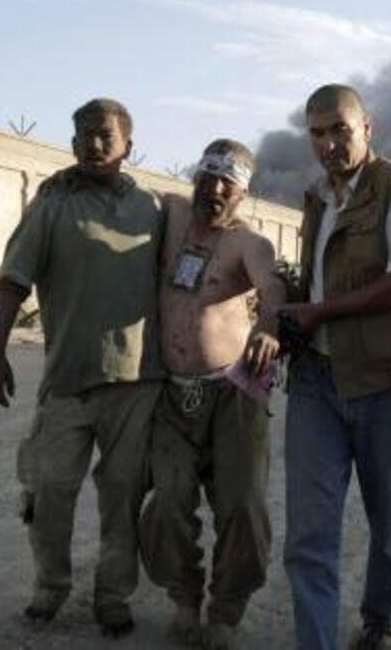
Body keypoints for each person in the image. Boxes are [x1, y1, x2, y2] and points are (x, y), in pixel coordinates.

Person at [0, 98, 163, 638]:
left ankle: (113, 595)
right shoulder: (52, 204)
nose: (93, 144)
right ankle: (50, 587)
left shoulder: (154, 209)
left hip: (135, 382)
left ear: (129, 145)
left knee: (122, 495)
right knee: (49, 490)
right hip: (67, 381)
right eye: (83, 135)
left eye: (105, 134)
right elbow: (12, 280)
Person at [279, 84, 391, 650]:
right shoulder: (317, 199)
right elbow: (314, 282)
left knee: (388, 522)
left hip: (389, 383)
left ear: (366, 128)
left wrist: (320, 311)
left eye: (340, 130)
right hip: (317, 382)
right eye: (317, 134)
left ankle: (381, 618)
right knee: (309, 534)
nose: (329, 144)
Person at [138, 139, 284, 650]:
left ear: (242, 193)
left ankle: (225, 610)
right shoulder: (171, 214)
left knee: (242, 506)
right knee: (167, 503)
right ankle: (183, 596)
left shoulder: (249, 243)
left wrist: (268, 327)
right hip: (172, 395)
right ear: (195, 177)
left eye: (229, 183)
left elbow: (273, 288)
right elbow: (118, 191)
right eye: (209, 177)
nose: (216, 189)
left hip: (233, 393)